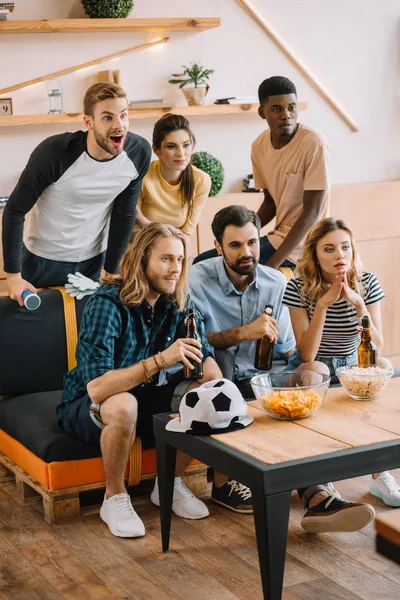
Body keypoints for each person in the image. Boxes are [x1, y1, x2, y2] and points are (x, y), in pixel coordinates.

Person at [189, 205, 376, 532]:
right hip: (221, 377)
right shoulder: (195, 279)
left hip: (266, 377)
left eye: (252, 242)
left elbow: (290, 348)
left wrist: (306, 372)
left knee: (301, 392)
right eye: (235, 245)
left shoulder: (277, 280)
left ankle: (317, 494)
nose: (247, 252)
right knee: (228, 392)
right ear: (218, 247)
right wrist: (244, 332)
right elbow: (194, 341)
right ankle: (227, 484)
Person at [57, 223, 222, 538]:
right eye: (166, 259)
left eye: (180, 260)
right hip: (89, 406)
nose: (175, 269)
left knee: (212, 394)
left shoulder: (178, 302)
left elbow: (207, 355)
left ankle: (168, 484)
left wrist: (212, 385)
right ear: (142, 259)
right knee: (123, 404)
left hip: (149, 398)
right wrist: (163, 359)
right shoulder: (108, 302)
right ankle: (114, 497)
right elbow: (97, 387)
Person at [282, 217, 400, 508]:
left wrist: (358, 304)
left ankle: (380, 472)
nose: (340, 256)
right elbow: (307, 354)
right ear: (314, 253)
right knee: (318, 370)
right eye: (330, 249)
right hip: (312, 364)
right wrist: (323, 303)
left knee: (383, 366)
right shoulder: (298, 286)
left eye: (345, 248)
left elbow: (378, 346)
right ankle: (319, 477)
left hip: (351, 362)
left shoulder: (367, 281)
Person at [2, 82, 151, 306]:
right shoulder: (54, 153)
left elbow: (124, 215)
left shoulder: (138, 153)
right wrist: (13, 277)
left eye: (123, 115)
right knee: (43, 334)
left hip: (91, 260)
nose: (119, 125)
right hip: (41, 259)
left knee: (86, 332)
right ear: (88, 122)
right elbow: (15, 211)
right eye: (108, 117)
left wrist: (111, 270)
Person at [193, 75, 330, 268]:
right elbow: (271, 203)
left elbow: (312, 212)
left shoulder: (313, 143)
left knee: (208, 265)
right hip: (277, 238)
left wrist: (272, 265)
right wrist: (246, 235)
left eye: (291, 107)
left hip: (306, 244)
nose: (286, 115)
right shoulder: (259, 146)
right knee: (204, 263)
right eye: (276, 109)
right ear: (261, 112)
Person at [133, 113, 211, 259]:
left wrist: (147, 223)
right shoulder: (142, 176)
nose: (181, 154)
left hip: (177, 251)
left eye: (186, 145)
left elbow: (186, 233)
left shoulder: (201, 180)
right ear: (156, 150)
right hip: (142, 250)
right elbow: (134, 222)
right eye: (171, 146)